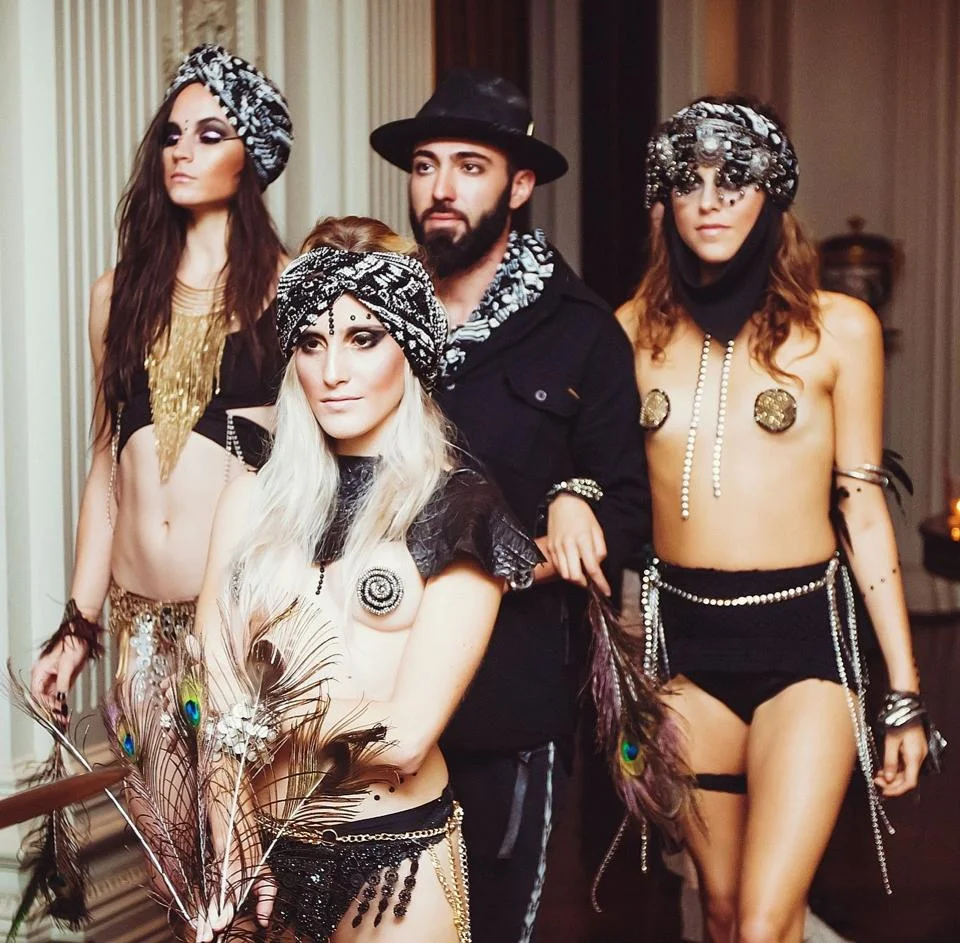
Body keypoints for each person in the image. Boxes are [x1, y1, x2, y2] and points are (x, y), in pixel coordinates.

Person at [617, 96, 937, 943]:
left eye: (735, 180)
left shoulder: (839, 329)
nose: (710, 201)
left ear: (773, 194)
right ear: (664, 199)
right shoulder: (629, 334)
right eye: (689, 182)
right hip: (685, 650)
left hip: (807, 647)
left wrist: (904, 691)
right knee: (721, 913)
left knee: (763, 923)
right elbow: (615, 501)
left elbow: (863, 507)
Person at [193, 216, 542, 943]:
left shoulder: (459, 509)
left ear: (411, 347)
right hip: (260, 855)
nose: (332, 371)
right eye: (311, 342)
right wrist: (229, 830)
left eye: (363, 338)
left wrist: (254, 713)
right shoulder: (248, 502)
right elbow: (211, 684)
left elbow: (406, 734)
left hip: (394, 862)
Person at [371, 69, 650, 941]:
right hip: (368, 680)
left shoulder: (580, 330)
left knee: (486, 926)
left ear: (520, 185)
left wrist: (575, 499)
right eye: (425, 165)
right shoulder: (373, 315)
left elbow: (629, 506)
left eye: (470, 166)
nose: (441, 188)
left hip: (507, 698)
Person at [29, 43, 291, 708]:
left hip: (241, 619)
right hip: (138, 625)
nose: (182, 151)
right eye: (173, 136)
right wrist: (78, 625)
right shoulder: (115, 295)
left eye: (210, 135)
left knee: (239, 782)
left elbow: (318, 469)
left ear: (252, 157)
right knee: (150, 783)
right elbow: (106, 468)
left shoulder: (291, 290)